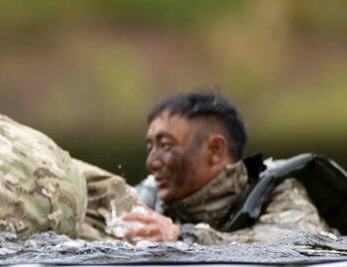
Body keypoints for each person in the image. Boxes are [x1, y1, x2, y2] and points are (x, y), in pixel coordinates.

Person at [110, 91, 329, 245]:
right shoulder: (150, 195)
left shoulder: (281, 191)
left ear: (215, 149)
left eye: (166, 146)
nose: (151, 162)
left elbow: (293, 242)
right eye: (150, 147)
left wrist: (181, 236)